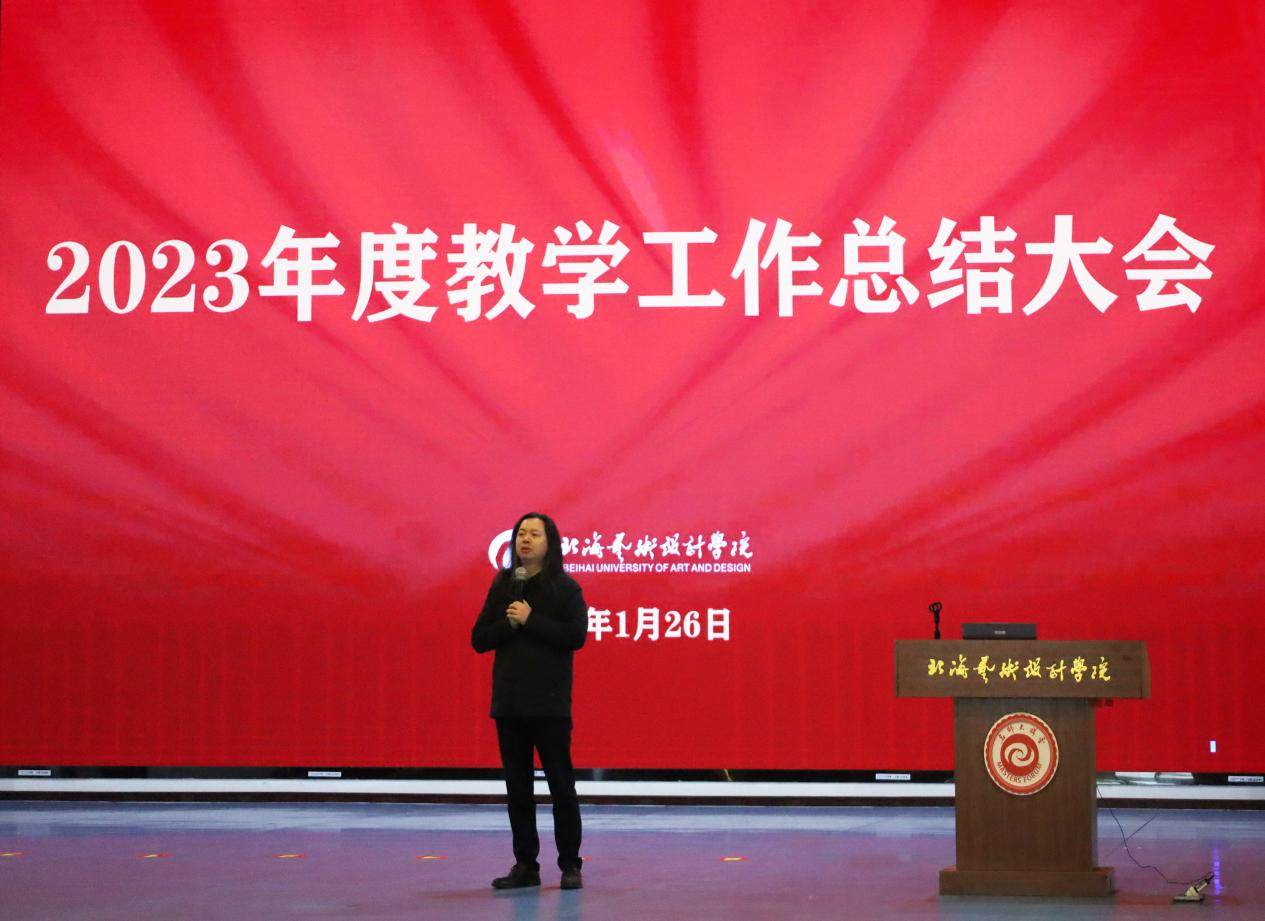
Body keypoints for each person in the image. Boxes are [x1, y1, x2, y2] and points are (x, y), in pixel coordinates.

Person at [471, 512, 588, 890]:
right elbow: (479, 639)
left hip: (549, 704)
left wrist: (531, 619)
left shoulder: (565, 588)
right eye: (521, 533)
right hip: (510, 704)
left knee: (561, 788)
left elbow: (576, 636)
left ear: (549, 543)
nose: (525, 540)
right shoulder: (504, 585)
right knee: (518, 790)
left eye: (534, 534)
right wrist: (509, 624)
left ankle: (570, 865)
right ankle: (526, 865)